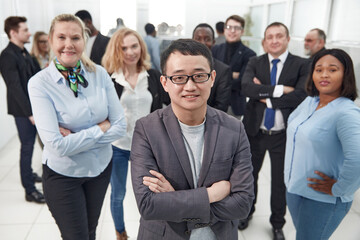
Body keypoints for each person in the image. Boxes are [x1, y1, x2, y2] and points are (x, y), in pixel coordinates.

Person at [131, 39, 254, 240]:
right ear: (165, 83)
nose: (190, 86)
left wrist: (174, 201)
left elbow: (243, 204)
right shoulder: (147, 129)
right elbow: (148, 205)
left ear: (212, 78)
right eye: (179, 77)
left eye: (199, 76)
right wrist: (211, 195)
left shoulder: (234, 129)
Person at [27, 14, 126, 239]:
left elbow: (120, 126)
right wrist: (100, 128)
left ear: (84, 40)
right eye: (61, 37)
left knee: (90, 232)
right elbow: (56, 146)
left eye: (75, 37)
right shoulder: (39, 84)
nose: (68, 44)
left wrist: (76, 138)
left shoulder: (99, 74)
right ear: (51, 40)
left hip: (99, 169)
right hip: (64, 175)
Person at [241, 22, 308, 239]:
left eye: (279, 36)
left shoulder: (301, 64)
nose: (274, 41)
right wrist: (281, 90)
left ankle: (277, 224)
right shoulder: (254, 61)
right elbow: (247, 88)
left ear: (288, 39)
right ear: (264, 41)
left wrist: (266, 98)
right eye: (270, 37)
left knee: (280, 181)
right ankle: (247, 213)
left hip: (283, 134)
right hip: (255, 132)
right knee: (249, 176)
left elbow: (301, 95)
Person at [285, 48, 360, 240]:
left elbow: (357, 157)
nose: (324, 74)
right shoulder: (310, 102)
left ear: (346, 75)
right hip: (295, 189)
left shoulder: (346, 113)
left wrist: (339, 188)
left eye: (333, 69)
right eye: (318, 69)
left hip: (322, 199)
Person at [102, 27, 167, 240]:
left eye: (134, 46)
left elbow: (165, 108)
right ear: (117, 51)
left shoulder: (154, 76)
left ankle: (152, 232)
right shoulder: (110, 80)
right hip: (118, 146)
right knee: (118, 194)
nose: (130, 52)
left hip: (147, 148)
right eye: (124, 48)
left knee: (151, 194)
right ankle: (121, 233)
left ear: (141, 47)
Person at [0, 16, 43, 203]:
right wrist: (30, 113)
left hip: (33, 108)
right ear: (13, 33)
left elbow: (35, 77)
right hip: (23, 111)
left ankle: (30, 175)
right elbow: (15, 87)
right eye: (25, 30)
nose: (29, 33)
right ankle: (29, 190)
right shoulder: (7, 55)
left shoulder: (23, 52)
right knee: (27, 148)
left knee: (33, 145)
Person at [212, 15, 256, 117]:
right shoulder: (215, 50)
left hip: (234, 105)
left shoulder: (250, 54)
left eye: (236, 28)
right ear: (224, 29)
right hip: (214, 103)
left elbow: (243, 82)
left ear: (242, 31)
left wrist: (220, 76)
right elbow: (210, 77)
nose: (232, 31)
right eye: (229, 27)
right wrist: (233, 74)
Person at [192, 23, 231, 112]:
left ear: (213, 42)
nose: (202, 43)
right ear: (192, 41)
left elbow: (221, 106)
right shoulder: (182, 67)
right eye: (198, 39)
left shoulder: (222, 71)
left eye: (207, 39)